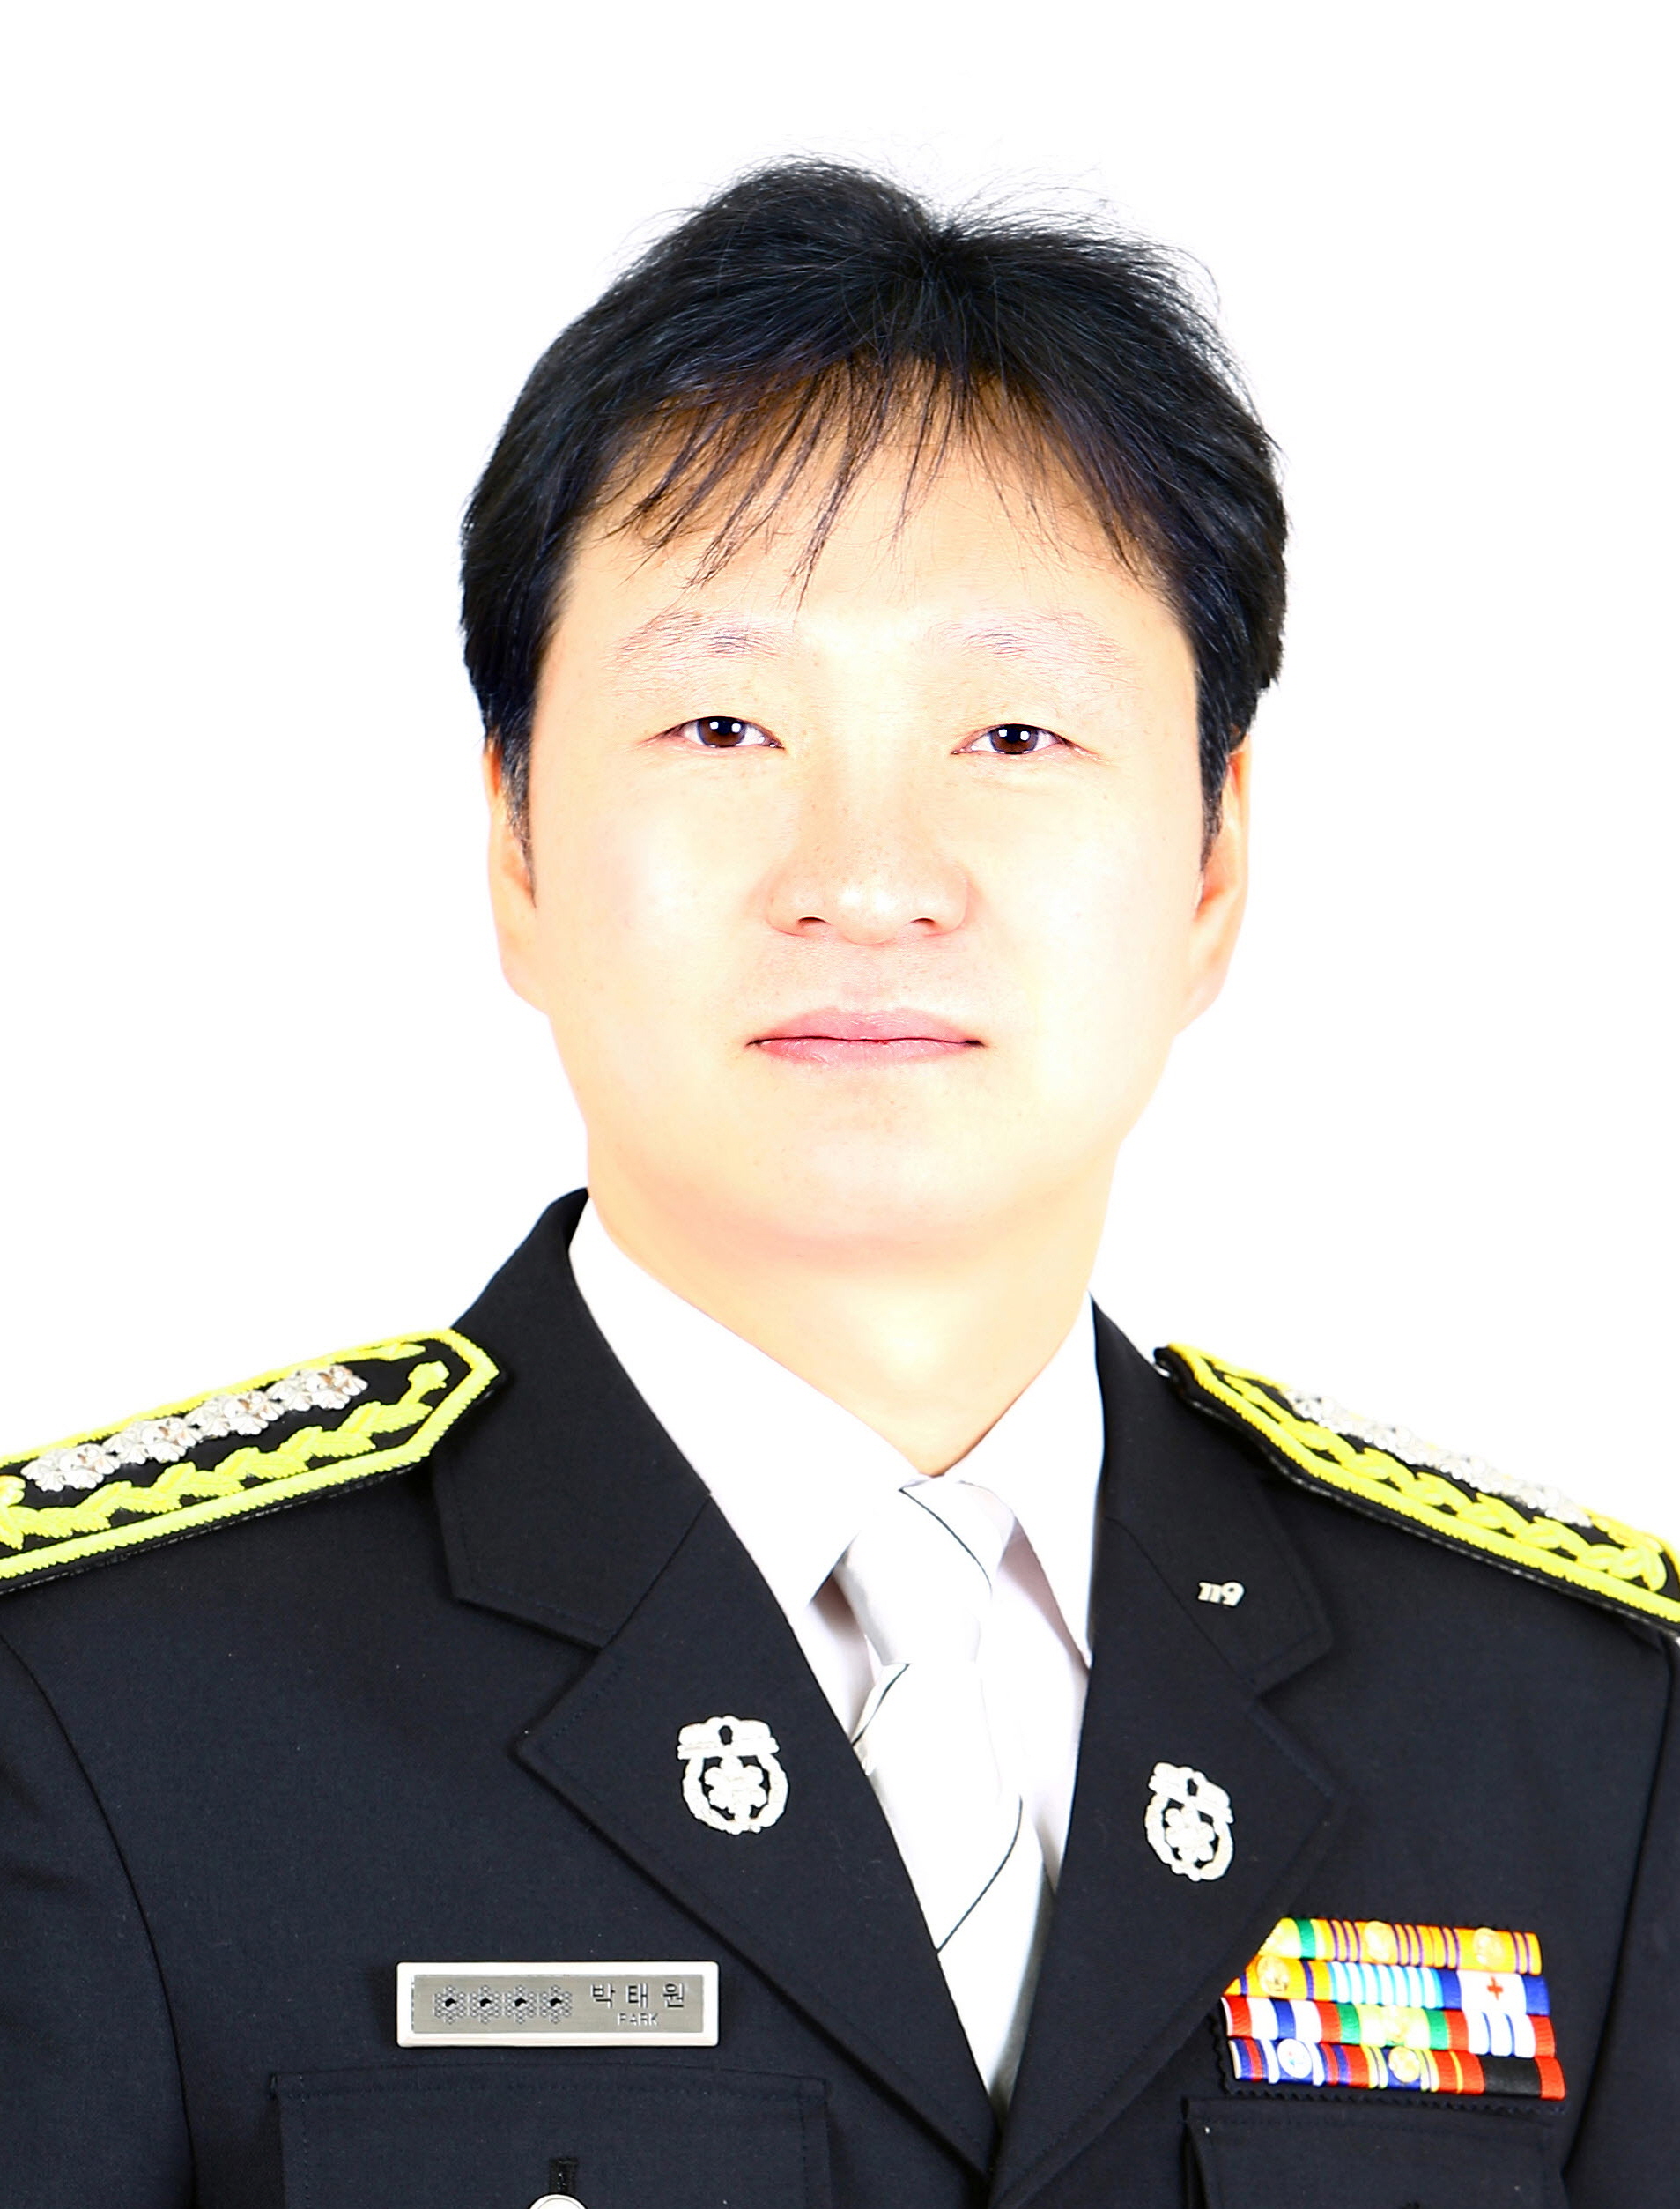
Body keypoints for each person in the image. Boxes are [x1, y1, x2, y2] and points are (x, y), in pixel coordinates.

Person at [2, 163, 1675, 2209]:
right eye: (723, 724)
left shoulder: (1578, 1737)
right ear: (514, 842)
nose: (870, 877)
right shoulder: (93, 1703)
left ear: (1214, 865)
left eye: (1015, 733)